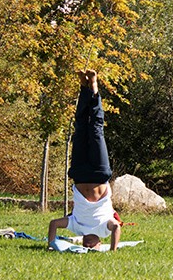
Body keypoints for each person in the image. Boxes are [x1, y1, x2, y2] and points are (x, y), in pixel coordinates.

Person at [47, 70, 121, 252]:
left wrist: (51, 245)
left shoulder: (75, 227)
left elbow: (54, 224)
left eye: (85, 245)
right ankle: (94, 87)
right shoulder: (104, 229)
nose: (88, 244)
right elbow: (117, 227)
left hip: (79, 174)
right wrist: (113, 250)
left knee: (80, 129)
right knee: (95, 130)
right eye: (92, 246)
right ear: (99, 244)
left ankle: (83, 87)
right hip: (99, 172)